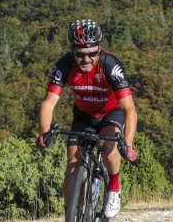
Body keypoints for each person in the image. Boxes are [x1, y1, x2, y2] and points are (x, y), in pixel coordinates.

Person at [36, 19, 138, 219]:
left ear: (99, 49)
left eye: (93, 53)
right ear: (72, 51)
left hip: (111, 114)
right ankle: (71, 213)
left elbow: (130, 110)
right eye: (81, 55)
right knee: (73, 164)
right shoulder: (65, 65)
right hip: (83, 117)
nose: (87, 59)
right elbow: (48, 103)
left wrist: (129, 144)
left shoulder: (110, 65)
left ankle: (114, 187)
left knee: (108, 148)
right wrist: (44, 132)